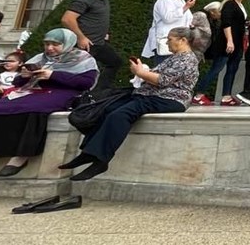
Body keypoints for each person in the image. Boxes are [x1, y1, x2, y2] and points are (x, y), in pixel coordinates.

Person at [61, 26, 200, 181]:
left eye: (170, 39)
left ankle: (100, 160)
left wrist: (140, 72)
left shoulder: (186, 59)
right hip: (153, 95)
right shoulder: (175, 58)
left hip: (170, 99)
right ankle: (88, 153)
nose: (167, 43)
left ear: (183, 40)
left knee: (120, 114)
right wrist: (142, 70)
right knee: (108, 109)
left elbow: (162, 80)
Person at [0, 28, 98, 176]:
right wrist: (25, 76)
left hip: (63, 92)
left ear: (67, 43)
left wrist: (53, 75)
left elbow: (85, 83)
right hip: (32, 90)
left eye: (55, 44)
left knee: (37, 109)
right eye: (47, 44)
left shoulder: (83, 58)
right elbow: (18, 81)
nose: (49, 48)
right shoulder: (40, 58)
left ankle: (21, 156)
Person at [60, 0, 121, 90]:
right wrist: (81, 37)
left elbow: (96, 17)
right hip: (85, 45)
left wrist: (104, 33)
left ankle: (99, 91)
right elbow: (67, 19)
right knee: (78, 72)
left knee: (115, 62)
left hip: (99, 43)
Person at [211, 0, 249, 106]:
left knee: (232, 69)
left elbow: (239, 23)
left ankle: (226, 96)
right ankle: (199, 93)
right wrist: (230, 41)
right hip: (227, 42)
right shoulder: (229, 4)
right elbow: (226, 23)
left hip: (238, 43)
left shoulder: (241, 6)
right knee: (216, 68)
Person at [141, 0, 194, 65]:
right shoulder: (165, 0)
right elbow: (168, 18)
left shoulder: (181, 1)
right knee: (163, 71)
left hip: (179, 42)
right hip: (166, 41)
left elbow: (186, 18)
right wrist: (185, 7)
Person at [193, 0, 230, 105]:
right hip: (194, 49)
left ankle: (197, 94)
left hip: (201, 50)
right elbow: (188, 27)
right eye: (220, 12)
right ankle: (198, 95)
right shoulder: (201, 16)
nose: (221, 15)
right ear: (212, 11)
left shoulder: (213, 20)